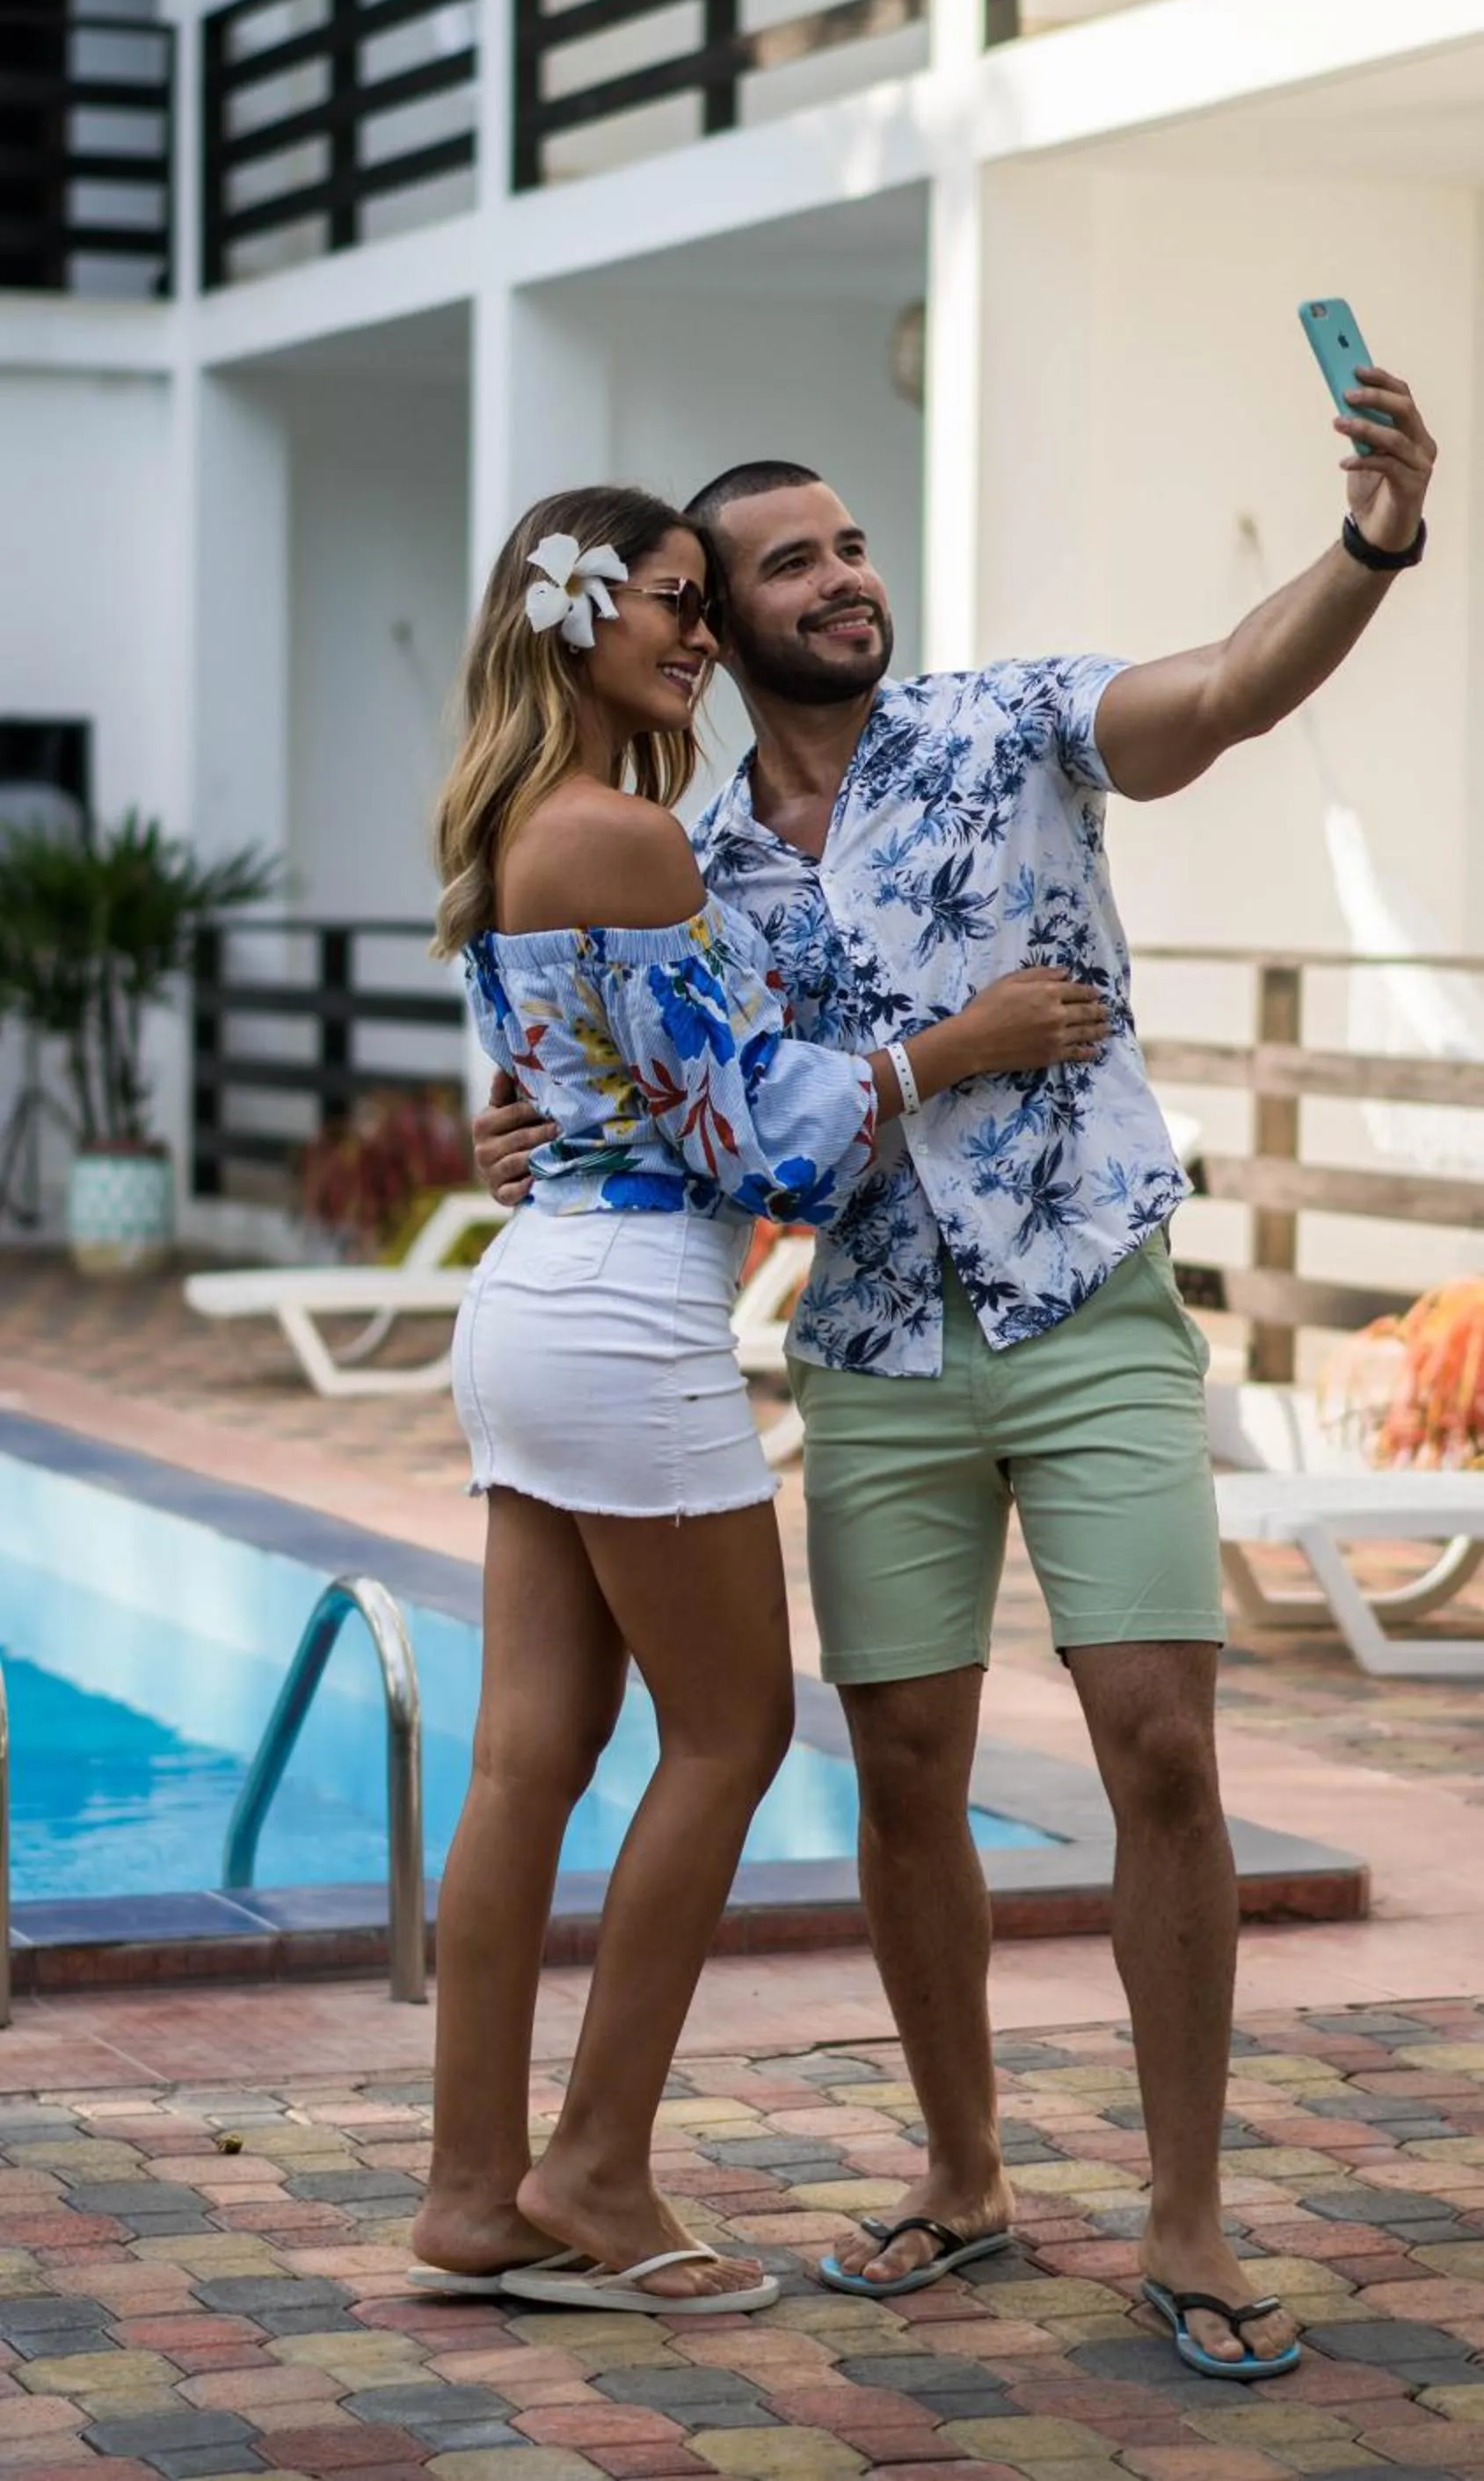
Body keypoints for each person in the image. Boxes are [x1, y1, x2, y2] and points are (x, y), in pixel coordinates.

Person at [472, 366, 1437, 2374]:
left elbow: (1226, 692)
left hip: (1087, 1307)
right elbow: (685, 1093)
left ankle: (1188, 2213)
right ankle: (962, 2174)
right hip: (875, 1347)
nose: (843, 577)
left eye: (853, 545)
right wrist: (544, 1129)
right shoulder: (688, 852)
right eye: (784, 564)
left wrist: (1371, 542)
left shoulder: (1008, 724)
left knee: (1161, 1750)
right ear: (716, 623)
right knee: (906, 1772)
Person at [409, 483, 1111, 2320]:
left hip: (534, 1303)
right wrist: (956, 1045)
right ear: (576, 620)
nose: (699, 636)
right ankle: (594, 2169)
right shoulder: (628, 838)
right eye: (670, 600)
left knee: (525, 1761)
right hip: (630, 1320)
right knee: (729, 1739)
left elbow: (586, 1089)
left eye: (698, 606)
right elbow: (762, 1144)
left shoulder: (518, 824)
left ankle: (473, 2194)